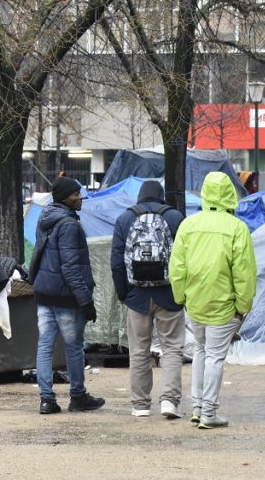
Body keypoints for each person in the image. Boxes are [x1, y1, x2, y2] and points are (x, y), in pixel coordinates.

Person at [170, 171, 256, 429]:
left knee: (200, 351)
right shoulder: (237, 229)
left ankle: (197, 407)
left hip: (195, 303)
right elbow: (244, 273)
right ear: (230, 193)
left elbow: (177, 268)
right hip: (224, 305)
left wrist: (181, 297)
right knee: (216, 357)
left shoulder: (188, 225)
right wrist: (243, 307)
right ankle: (209, 412)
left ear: (205, 193)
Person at [110, 180, 186, 419]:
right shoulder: (175, 217)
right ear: (161, 196)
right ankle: (169, 402)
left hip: (136, 296)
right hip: (170, 295)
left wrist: (124, 293)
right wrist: (182, 293)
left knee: (139, 350)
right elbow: (185, 258)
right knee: (172, 349)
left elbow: (116, 262)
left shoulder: (124, 219)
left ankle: (141, 405)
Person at [32, 176, 105, 414]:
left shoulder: (45, 219)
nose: (80, 197)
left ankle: (47, 399)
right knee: (73, 347)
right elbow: (71, 267)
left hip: (44, 294)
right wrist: (85, 301)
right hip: (66, 297)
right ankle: (78, 396)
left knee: (45, 346)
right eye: (76, 194)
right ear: (65, 198)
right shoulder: (69, 225)